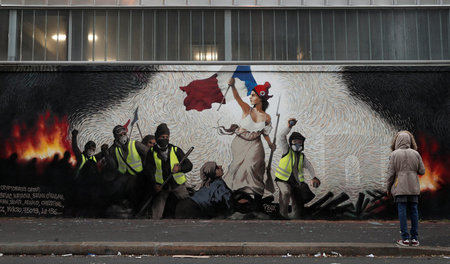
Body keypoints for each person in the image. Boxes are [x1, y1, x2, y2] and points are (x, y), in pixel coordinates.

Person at [219, 78, 276, 210]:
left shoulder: (267, 117)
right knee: (237, 168)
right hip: (241, 143)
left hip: (256, 144)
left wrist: (270, 144)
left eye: (253, 95)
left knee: (252, 167)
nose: (250, 97)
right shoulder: (247, 110)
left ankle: (255, 196)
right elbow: (238, 98)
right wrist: (232, 86)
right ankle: (237, 196)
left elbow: (265, 133)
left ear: (261, 98)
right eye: (251, 95)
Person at [144, 123, 193, 219]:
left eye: (167, 137)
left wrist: (179, 169)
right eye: (162, 137)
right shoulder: (152, 152)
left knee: (188, 205)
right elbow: (148, 170)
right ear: (157, 137)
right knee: (156, 214)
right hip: (162, 186)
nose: (165, 139)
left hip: (178, 185)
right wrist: (154, 184)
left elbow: (189, 165)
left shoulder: (175, 150)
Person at [275, 118, 320, 219]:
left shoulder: (302, 157)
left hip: (295, 182)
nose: (297, 144)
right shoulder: (286, 150)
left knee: (297, 200)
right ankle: (283, 215)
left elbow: (309, 166)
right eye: (295, 141)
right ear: (291, 142)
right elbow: (281, 136)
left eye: (299, 142)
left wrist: (313, 177)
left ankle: (296, 216)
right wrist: (289, 126)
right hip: (282, 179)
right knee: (285, 193)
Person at [386, 131, 425, 247]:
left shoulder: (394, 154)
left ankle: (405, 239)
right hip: (413, 187)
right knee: (414, 211)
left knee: (402, 211)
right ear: (409, 140)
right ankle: (414, 238)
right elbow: (422, 171)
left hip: (400, 187)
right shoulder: (416, 154)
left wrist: (388, 188)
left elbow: (390, 174)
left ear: (397, 141)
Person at [104, 125, 149, 213]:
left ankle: (139, 209)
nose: (123, 136)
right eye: (120, 135)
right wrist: (106, 154)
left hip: (138, 174)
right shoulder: (112, 149)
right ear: (115, 137)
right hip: (123, 176)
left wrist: (146, 165)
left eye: (124, 133)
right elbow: (112, 165)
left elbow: (149, 153)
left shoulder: (135, 144)